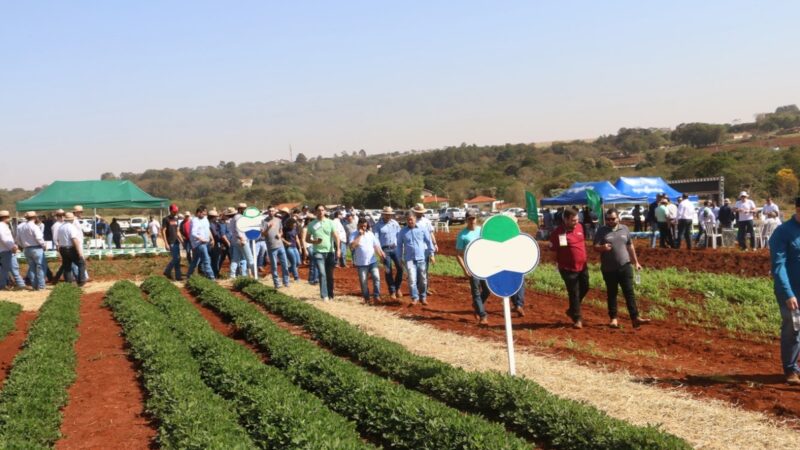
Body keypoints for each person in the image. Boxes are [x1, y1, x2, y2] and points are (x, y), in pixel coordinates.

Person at [593, 208, 651, 328]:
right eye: (608, 219)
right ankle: (613, 318)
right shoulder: (601, 230)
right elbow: (595, 247)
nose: (610, 221)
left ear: (618, 218)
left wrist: (636, 262)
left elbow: (630, 246)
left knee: (629, 292)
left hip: (625, 266)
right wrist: (602, 247)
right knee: (612, 293)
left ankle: (635, 318)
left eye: (613, 219)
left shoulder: (624, 229)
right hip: (609, 268)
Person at [768, 197, 800, 385]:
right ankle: (790, 370)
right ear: (797, 209)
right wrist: (788, 293)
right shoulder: (783, 232)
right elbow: (778, 266)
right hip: (791, 290)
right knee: (793, 328)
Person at [549, 207, 589, 329]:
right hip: (567, 268)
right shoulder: (558, 233)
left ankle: (572, 309)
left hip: (582, 266)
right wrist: (555, 263)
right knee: (574, 293)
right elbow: (552, 249)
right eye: (573, 220)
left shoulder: (580, 227)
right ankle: (577, 318)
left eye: (577, 219)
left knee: (585, 287)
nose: (576, 222)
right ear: (565, 219)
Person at [456, 210, 491, 325]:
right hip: (471, 266)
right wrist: (465, 269)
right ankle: (482, 316)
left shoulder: (482, 231)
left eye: (473, 218)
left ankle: (476, 305)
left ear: (476, 219)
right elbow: (458, 254)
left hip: (484, 265)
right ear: (466, 220)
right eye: (470, 218)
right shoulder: (462, 235)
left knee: (487, 290)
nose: (472, 221)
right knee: (476, 292)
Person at [398, 212, 435, 306]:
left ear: (415, 219)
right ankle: (415, 298)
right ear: (406, 220)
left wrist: (432, 254)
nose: (410, 221)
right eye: (408, 220)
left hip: (421, 259)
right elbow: (399, 245)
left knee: (423, 279)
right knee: (412, 280)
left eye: (411, 219)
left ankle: (423, 297)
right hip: (409, 259)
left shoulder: (422, 229)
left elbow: (429, 241)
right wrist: (399, 257)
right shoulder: (402, 232)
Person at [306, 204, 340, 301]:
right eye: (319, 210)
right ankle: (324, 295)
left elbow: (336, 236)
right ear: (315, 212)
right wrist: (314, 242)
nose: (321, 212)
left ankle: (331, 295)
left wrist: (338, 249)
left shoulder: (330, 222)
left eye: (322, 210)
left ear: (325, 211)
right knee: (322, 273)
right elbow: (307, 239)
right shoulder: (311, 224)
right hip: (318, 252)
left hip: (330, 252)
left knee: (329, 275)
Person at [350, 218, 385, 304]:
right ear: (358, 225)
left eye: (365, 226)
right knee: (363, 281)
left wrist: (381, 254)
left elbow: (376, 246)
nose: (363, 227)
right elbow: (352, 246)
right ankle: (366, 298)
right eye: (361, 226)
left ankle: (376, 295)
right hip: (361, 263)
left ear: (367, 226)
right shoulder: (353, 234)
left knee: (376, 277)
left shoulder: (370, 234)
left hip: (372, 261)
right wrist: (359, 235)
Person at [374, 206, 403, 299]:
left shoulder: (395, 223)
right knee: (388, 271)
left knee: (400, 268)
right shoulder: (378, 225)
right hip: (385, 250)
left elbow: (399, 236)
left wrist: (401, 248)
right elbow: (376, 240)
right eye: (386, 214)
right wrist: (380, 252)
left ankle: (397, 287)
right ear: (383, 214)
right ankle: (392, 291)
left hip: (395, 249)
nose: (388, 216)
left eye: (390, 214)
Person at [17, 211, 47, 290]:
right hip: (36, 248)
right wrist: (44, 245)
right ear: (35, 217)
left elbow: (18, 239)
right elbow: (39, 238)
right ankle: (41, 286)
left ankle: (34, 285)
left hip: (26, 249)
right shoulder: (34, 226)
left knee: (32, 267)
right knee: (40, 267)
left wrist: (23, 246)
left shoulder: (21, 227)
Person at [56, 212, 86, 286]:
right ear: (72, 219)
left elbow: (58, 240)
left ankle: (68, 283)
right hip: (70, 248)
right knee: (81, 263)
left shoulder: (60, 227)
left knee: (67, 266)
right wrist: (80, 252)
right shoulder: (71, 227)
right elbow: (74, 240)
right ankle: (81, 281)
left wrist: (59, 249)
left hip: (62, 248)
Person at [263, 208, 290, 288]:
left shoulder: (278, 220)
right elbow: (263, 234)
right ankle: (277, 283)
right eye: (270, 211)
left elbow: (281, 231)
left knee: (285, 265)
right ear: (268, 212)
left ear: (275, 212)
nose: (271, 212)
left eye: (273, 211)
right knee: (274, 266)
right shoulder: (264, 221)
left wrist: (280, 234)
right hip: (271, 247)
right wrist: (268, 228)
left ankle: (286, 282)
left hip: (280, 245)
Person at [186, 206, 215, 280]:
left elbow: (207, 229)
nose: (204, 215)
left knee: (195, 261)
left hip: (205, 242)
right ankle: (211, 277)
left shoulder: (205, 219)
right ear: (198, 213)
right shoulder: (195, 220)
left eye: (205, 214)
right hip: (199, 243)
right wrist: (201, 239)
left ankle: (189, 275)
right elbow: (193, 233)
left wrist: (212, 238)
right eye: (203, 214)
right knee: (206, 259)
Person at [0, 210, 25, 290]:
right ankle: (19, 284)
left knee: (7, 268)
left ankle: (19, 284)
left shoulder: (3, 226)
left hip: (4, 250)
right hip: (6, 250)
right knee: (8, 268)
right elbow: (4, 238)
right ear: (4, 218)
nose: (9, 218)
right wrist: (12, 247)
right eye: (8, 217)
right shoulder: (2, 226)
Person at [161, 204, 184, 281]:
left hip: (176, 241)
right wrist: (166, 243)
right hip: (170, 241)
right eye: (174, 211)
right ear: (170, 211)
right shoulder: (165, 219)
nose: (175, 213)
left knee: (178, 259)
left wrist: (182, 240)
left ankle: (178, 276)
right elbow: (163, 231)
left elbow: (177, 231)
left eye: (176, 211)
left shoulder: (176, 219)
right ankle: (167, 271)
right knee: (176, 258)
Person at [282, 214, 302, 282]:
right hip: (289, 248)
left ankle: (289, 270)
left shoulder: (295, 229)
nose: (295, 225)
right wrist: (286, 242)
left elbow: (297, 238)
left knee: (298, 262)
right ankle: (296, 277)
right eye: (293, 224)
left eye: (295, 224)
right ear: (290, 224)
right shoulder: (285, 229)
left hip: (295, 247)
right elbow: (280, 237)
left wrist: (299, 248)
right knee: (293, 262)